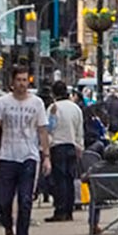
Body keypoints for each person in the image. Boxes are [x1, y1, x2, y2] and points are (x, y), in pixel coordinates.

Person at [0, 68, 49, 235]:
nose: (22, 83)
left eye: (25, 80)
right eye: (19, 80)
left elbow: (42, 131)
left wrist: (46, 156)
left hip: (29, 156)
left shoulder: (37, 103)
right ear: (12, 82)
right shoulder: (3, 102)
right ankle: (8, 226)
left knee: (25, 199)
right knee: (4, 201)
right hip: (7, 156)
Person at [44, 80, 84, 221]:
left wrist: (45, 149)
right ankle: (69, 210)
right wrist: (80, 146)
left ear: (54, 93)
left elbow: (48, 129)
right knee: (69, 178)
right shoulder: (76, 108)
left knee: (59, 179)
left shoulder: (52, 108)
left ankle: (60, 209)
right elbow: (80, 129)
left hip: (57, 146)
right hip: (72, 146)